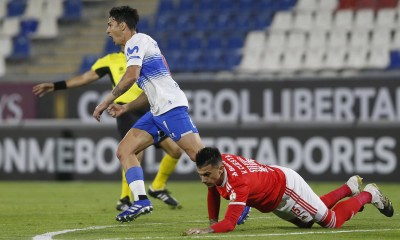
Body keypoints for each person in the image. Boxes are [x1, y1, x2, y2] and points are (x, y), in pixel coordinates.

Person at [93, 6, 250, 224]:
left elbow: (131, 76)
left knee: (201, 157)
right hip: (157, 111)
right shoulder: (141, 44)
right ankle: (141, 200)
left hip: (171, 108)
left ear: (123, 25)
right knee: (124, 150)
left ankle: (244, 194)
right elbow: (151, 91)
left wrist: (105, 102)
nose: (108, 31)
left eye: (110, 25)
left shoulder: (135, 43)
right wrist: (125, 108)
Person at [32, 50, 183, 211]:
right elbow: (85, 78)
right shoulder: (110, 60)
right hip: (126, 110)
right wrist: (56, 86)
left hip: (150, 108)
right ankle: (124, 198)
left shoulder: (146, 57)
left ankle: (157, 187)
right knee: (134, 153)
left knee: (175, 150)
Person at [185, 147, 394, 235]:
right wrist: (213, 220)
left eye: (207, 175)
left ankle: (369, 193)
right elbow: (214, 189)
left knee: (331, 222)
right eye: (201, 174)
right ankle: (349, 187)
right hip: (275, 197)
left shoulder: (239, 183)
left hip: (287, 188)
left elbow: (230, 223)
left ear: (220, 169)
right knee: (308, 220)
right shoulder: (220, 166)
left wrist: (207, 230)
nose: (204, 180)